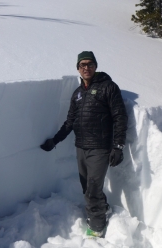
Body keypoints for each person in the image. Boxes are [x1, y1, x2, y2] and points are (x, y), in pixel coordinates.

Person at [40, 51, 128, 238]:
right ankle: (102, 209)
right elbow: (70, 122)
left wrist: (118, 146)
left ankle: (97, 227)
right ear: (78, 69)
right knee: (86, 187)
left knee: (93, 188)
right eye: (82, 65)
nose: (86, 68)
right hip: (81, 147)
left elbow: (120, 117)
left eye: (89, 64)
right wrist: (54, 141)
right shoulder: (78, 93)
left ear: (95, 66)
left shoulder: (108, 87)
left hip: (100, 148)